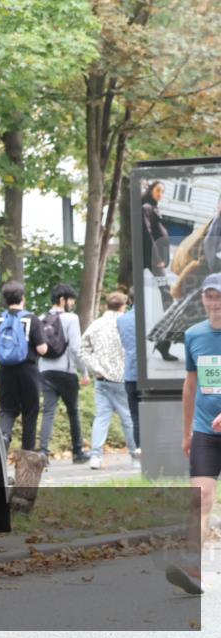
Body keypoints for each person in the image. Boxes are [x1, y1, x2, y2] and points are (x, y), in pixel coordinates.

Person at [165, 273, 221, 595]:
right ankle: (192, 567)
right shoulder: (193, 335)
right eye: (209, 296)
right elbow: (190, 385)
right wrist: (187, 432)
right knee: (200, 499)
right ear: (202, 299)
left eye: (219, 296)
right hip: (205, 432)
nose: (214, 303)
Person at [149, 196, 221, 360]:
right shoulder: (219, 221)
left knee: (190, 311)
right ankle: (164, 341)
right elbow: (210, 246)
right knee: (190, 311)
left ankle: (165, 342)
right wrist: (215, 272)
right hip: (209, 275)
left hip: (209, 274)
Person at [79, 292, 138, 469]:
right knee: (128, 418)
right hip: (123, 377)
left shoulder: (96, 324)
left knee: (101, 417)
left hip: (101, 378)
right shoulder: (127, 322)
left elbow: (82, 350)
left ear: (106, 305)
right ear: (124, 305)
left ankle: (95, 457)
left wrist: (96, 367)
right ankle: (135, 456)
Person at [37, 283, 90, 462]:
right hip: (66, 373)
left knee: (48, 411)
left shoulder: (41, 318)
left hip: (45, 371)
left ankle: (43, 452)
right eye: (71, 300)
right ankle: (78, 452)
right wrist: (84, 372)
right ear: (62, 300)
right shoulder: (71, 318)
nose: (73, 304)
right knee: (73, 411)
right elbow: (76, 348)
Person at [0, 281, 48, 452]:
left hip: (5, 370)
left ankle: (3, 437)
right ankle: (27, 452)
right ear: (23, 298)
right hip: (28, 371)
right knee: (30, 412)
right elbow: (42, 348)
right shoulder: (31, 319)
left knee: (7, 410)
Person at [140, 180, 178, 361]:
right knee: (169, 299)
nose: (160, 194)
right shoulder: (146, 208)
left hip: (157, 263)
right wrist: (157, 259)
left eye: (162, 191)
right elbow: (147, 235)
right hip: (154, 263)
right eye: (157, 190)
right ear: (150, 190)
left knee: (168, 300)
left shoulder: (153, 208)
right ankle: (163, 343)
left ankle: (163, 343)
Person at [117, 288, 141, 451]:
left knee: (136, 417)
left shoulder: (121, 320)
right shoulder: (150, 317)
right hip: (149, 374)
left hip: (130, 373)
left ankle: (140, 448)